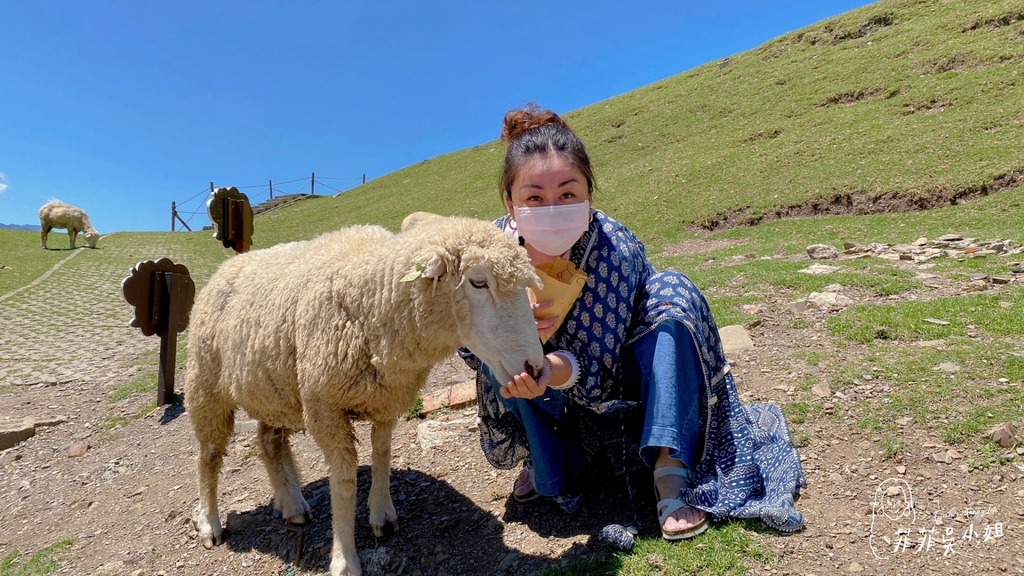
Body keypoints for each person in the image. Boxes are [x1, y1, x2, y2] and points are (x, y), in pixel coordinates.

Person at [462, 104, 805, 540]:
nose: (552, 208)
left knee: (673, 291)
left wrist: (550, 369)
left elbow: (599, 367)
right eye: (534, 198)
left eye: (568, 194)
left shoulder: (613, 246)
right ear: (510, 203)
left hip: (620, 392)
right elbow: (460, 334)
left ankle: (669, 465)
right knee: (498, 355)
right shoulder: (485, 255)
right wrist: (508, 345)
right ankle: (543, 459)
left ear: (589, 194)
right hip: (533, 389)